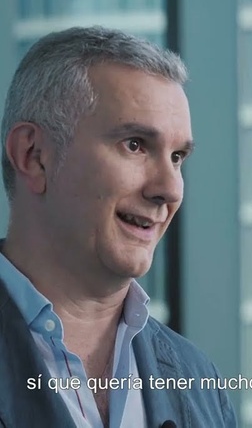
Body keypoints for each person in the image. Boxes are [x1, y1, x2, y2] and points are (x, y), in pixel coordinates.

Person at [0, 26, 236, 428]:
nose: (170, 188)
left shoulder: (199, 383)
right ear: (34, 156)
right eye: (135, 145)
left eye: (178, 157)